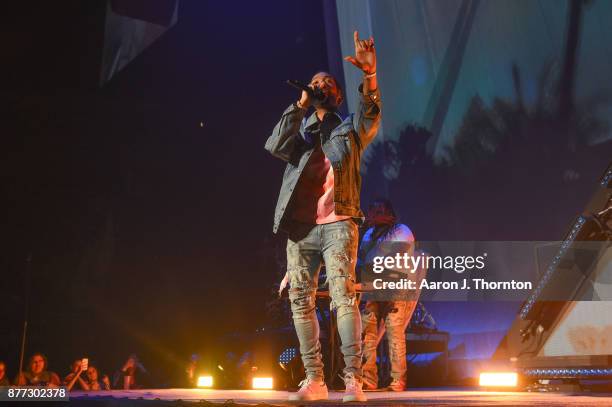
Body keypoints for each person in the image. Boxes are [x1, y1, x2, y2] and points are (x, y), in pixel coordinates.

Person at [266, 30, 381, 402]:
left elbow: (371, 115)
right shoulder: (300, 133)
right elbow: (274, 146)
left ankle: (352, 380)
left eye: (327, 83)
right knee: (300, 300)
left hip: (339, 223)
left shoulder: (348, 128)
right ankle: (314, 380)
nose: (320, 85)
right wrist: (299, 107)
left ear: (337, 94)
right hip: (300, 229)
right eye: (315, 83)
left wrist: (370, 75)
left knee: (342, 297)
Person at [359, 199, 421, 391]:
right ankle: (368, 379)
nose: (373, 215)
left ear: (389, 214)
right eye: (372, 212)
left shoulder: (402, 230)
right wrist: (370, 231)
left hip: (395, 288)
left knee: (394, 335)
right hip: (372, 287)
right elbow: (363, 255)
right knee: (367, 335)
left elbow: (388, 256)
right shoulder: (370, 233)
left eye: (378, 212)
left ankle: (398, 381)